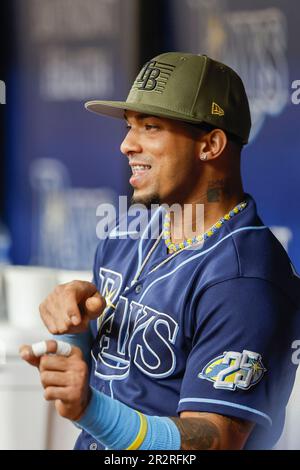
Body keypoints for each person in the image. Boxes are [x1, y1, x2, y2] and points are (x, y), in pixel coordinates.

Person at [20, 52, 300, 450]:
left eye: (150, 127)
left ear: (210, 144)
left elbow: (215, 441)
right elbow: (113, 378)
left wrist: (88, 409)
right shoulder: (129, 231)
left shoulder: (245, 279)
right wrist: (78, 327)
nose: (126, 145)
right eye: (129, 126)